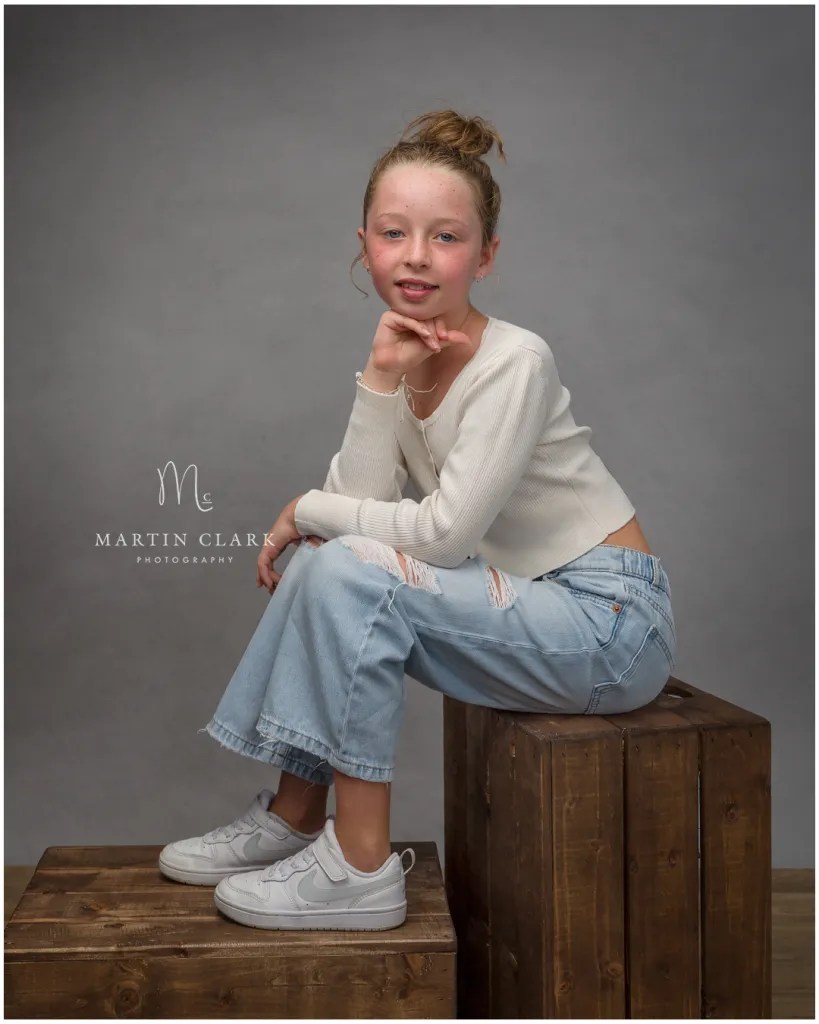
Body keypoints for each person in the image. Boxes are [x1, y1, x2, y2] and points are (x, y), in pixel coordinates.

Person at [159, 109, 676, 932]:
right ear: (362, 242)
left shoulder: (516, 360)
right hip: (519, 600)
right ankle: (296, 814)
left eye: (445, 237)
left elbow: (440, 539)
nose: (415, 257)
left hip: (607, 622)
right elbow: (345, 533)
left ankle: (361, 866)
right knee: (325, 565)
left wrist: (301, 508)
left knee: (342, 564)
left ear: (486, 254)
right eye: (394, 233)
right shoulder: (404, 352)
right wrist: (377, 379)